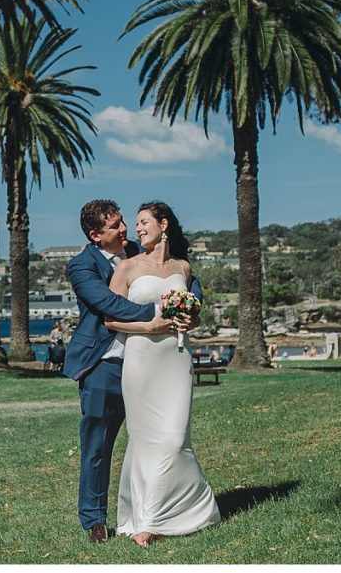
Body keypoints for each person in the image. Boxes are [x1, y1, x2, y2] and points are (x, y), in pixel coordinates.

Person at [62, 199, 184, 545]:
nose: (125, 230)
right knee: (98, 445)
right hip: (105, 363)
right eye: (115, 226)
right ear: (95, 235)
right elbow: (109, 305)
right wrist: (157, 311)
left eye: (122, 222)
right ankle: (95, 520)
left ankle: (155, 513)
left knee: (158, 438)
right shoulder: (81, 267)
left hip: (149, 363)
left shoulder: (140, 249)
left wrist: (188, 303)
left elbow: (180, 275)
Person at [104, 201, 221, 548]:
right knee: (145, 440)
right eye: (136, 224)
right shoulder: (127, 267)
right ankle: (146, 520)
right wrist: (148, 324)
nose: (137, 229)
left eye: (143, 222)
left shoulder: (183, 267)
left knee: (174, 438)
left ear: (163, 224)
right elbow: (110, 318)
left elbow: (194, 313)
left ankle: (189, 510)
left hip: (176, 358)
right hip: (141, 360)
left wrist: (190, 320)